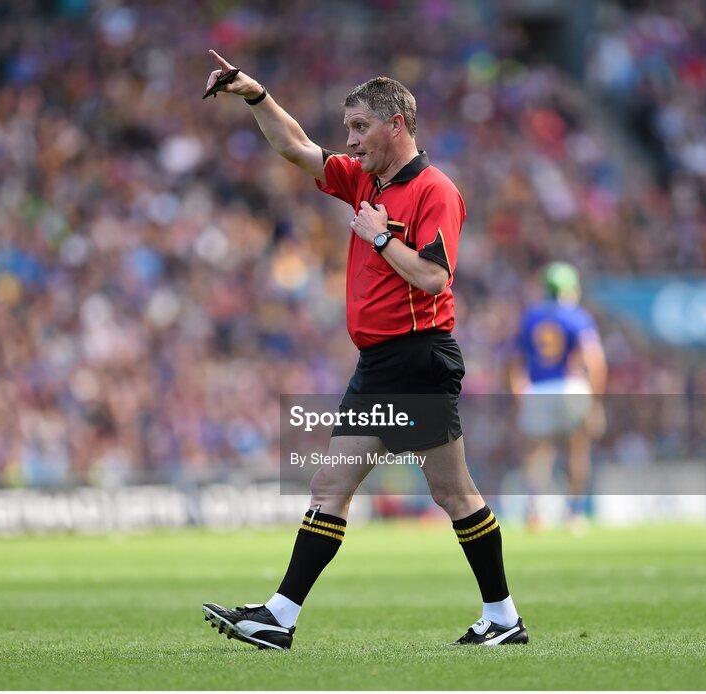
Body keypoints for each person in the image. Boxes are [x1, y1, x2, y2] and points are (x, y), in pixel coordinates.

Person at [200, 50, 527, 650]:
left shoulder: (435, 190)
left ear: (395, 124)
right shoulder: (366, 180)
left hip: (418, 356)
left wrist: (378, 236)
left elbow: (433, 279)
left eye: (358, 128)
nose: (348, 141)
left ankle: (503, 618)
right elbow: (296, 148)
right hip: (379, 362)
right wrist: (254, 94)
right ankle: (280, 616)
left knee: (453, 493)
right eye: (347, 128)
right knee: (331, 485)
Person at [508, 262, 608, 529]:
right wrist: (595, 400)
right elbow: (594, 360)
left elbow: (515, 361)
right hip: (570, 387)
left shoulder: (530, 317)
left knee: (538, 454)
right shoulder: (577, 316)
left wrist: (519, 390)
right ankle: (574, 514)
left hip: (538, 389)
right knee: (577, 451)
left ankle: (535, 512)